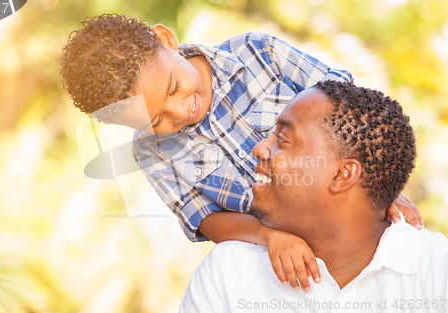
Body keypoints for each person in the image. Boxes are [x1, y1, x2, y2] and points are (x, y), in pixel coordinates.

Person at [60, 14, 423, 291]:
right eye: (155, 120)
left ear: (166, 39)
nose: (179, 112)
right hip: (283, 267)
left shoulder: (259, 54)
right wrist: (268, 236)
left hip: (350, 231)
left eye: (173, 88)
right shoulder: (151, 153)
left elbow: (351, 115)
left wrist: (378, 190)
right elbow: (203, 218)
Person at [179, 80, 448, 313]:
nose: (259, 149)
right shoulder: (229, 272)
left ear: (343, 174)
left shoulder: (436, 272)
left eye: (283, 139)